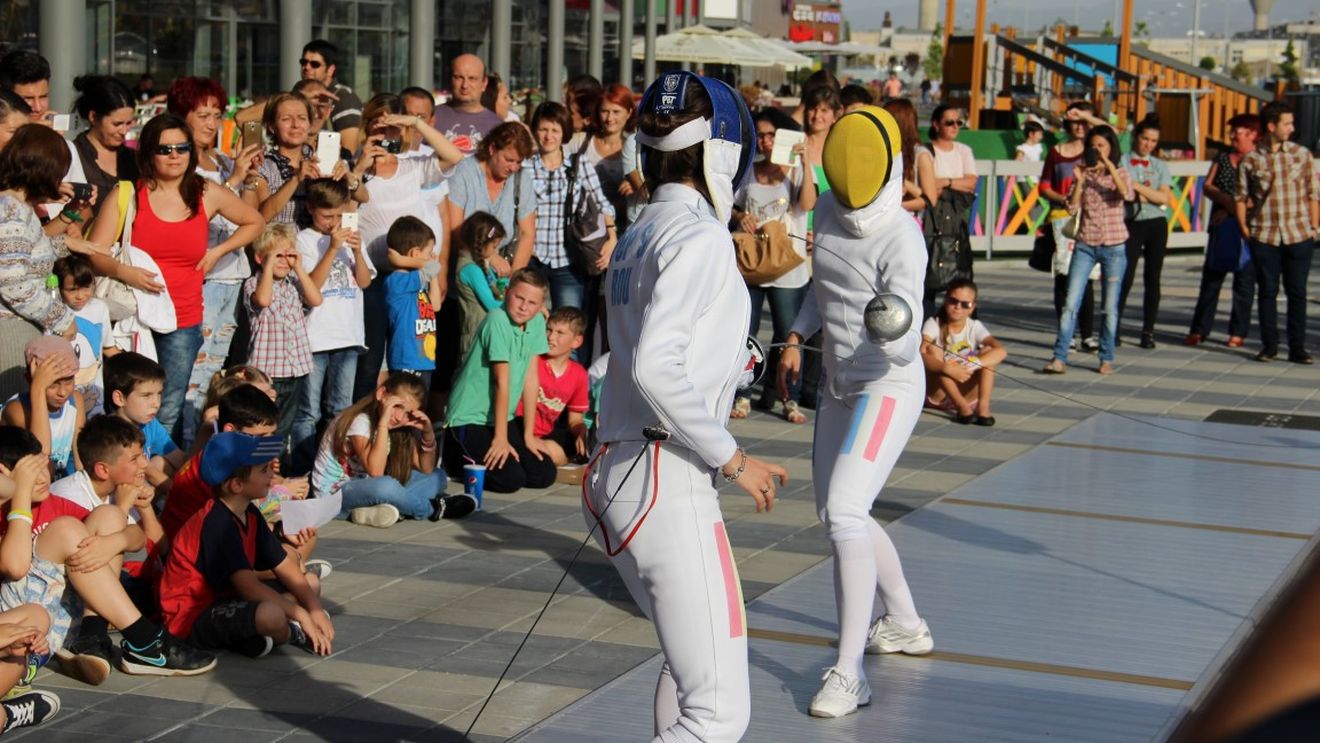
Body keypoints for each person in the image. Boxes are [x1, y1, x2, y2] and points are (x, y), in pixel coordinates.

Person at [588, 71, 787, 741]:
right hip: (665, 477)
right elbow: (652, 364)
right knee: (719, 713)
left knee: (688, 669)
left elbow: (629, 353)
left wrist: (736, 361)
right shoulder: (699, 238)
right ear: (725, 151)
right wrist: (735, 458)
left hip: (621, 470)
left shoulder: (641, 232)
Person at [776, 105, 933, 719]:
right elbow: (824, 289)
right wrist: (796, 335)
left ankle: (849, 673)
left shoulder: (903, 237)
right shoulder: (825, 212)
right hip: (838, 385)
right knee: (839, 513)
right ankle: (905, 622)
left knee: (844, 510)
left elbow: (906, 323)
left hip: (888, 386)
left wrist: (894, 329)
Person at [87, 115, 264, 440]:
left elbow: (255, 221)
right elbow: (93, 252)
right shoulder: (128, 194)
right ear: (147, 153)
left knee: (166, 408)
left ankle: (158, 486)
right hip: (132, 319)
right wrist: (124, 271)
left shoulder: (205, 192)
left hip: (183, 320)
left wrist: (217, 251)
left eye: (182, 147)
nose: (174, 155)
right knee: (125, 409)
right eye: (164, 148)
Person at [0, 426, 217, 678]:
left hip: (66, 616)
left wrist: (115, 541)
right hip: (23, 619)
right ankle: (145, 639)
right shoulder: (8, 511)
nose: (42, 478)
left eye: (44, 467)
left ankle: (92, 636)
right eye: (31, 473)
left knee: (109, 515)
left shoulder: (53, 503)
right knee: (67, 529)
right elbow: (15, 566)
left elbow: (137, 538)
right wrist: (21, 497)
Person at [158, 430, 333, 658]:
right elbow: (249, 588)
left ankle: (254, 638)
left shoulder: (248, 512)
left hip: (228, 600)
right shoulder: (217, 524)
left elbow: (283, 565)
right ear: (237, 485)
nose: (272, 474)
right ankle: (288, 632)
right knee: (271, 614)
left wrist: (315, 610)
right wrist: (302, 615)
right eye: (263, 470)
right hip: (191, 617)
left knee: (309, 583)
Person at [166, 76, 265, 446]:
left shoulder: (222, 160)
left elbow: (250, 217)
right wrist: (236, 178)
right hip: (201, 276)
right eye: (202, 114)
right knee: (191, 372)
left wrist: (247, 180)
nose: (211, 123)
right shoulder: (179, 162)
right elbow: (188, 219)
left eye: (217, 114)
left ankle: (203, 449)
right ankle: (184, 453)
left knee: (214, 373)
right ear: (180, 117)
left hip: (232, 274)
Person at [349, 94, 463, 402]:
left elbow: (454, 156)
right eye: (379, 127)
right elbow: (345, 210)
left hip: (412, 276)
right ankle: (361, 427)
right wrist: (360, 165)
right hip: (370, 279)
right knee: (369, 363)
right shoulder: (352, 168)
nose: (386, 135)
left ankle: (406, 421)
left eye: (391, 128)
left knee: (409, 359)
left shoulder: (412, 166)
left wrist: (415, 123)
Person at [48, 414, 162, 683]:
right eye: (134, 459)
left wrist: (143, 510)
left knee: (147, 583)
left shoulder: (119, 490)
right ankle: (134, 640)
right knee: (111, 519)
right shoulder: (68, 495)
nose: (143, 464)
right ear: (102, 469)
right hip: (62, 593)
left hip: (94, 590)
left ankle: (93, 635)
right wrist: (121, 510)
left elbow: (153, 546)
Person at [0, 124, 108, 400]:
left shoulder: (13, 207)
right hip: (9, 332)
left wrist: (64, 243)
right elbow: (13, 283)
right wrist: (60, 318)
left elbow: (22, 254)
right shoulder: (13, 212)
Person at [729, 108, 817, 423]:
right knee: (745, 332)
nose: (766, 142)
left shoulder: (797, 171)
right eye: (762, 135)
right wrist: (741, 217)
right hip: (751, 263)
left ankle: (788, 398)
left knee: (788, 334)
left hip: (788, 266)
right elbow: (730, 205)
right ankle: (741, 394)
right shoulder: (749, 170)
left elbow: (808, 204)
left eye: (772, 135)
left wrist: (806, 162)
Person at [443, 269, 557, 494]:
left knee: (543, 473)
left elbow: (531, 379)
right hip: (470, 418)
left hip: (503, 417)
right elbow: (501, 382)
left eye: (532, 303)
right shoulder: (497, 319)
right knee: (510, 480)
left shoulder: (535, 323)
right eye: (519, 298)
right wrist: (501, 439)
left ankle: (501, 444)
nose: (524, 307)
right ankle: (455, 457)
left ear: (541, 305)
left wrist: (528, 435)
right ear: (507, 293)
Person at [290, 179, 373, 473]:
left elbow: (364, 281)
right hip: (316, 338)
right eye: (327, 216)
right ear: (311, 209)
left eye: (339, 215)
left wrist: (358, 251)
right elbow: (310, 287)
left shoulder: (348, 239)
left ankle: (334, 470)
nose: (333, 223)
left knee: (341, 409)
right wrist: (332, 248)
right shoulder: (304, 240)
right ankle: (303, 470)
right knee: (308, 411)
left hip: (348, 336)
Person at [1043, 125, 1132, 376]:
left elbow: (1126, 193)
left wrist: (1108, 165)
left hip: (1114, 246)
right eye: (1092, 146)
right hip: (1085, 245)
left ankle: (1106, 357)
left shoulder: (1121, 172)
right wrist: (1080, 181)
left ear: (1112, 147)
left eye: (1102, 146)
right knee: (1071, 303)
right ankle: (1059, 357)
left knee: (1110, 306)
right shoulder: (1084, 174)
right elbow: (1071, 208)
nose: (1096, 151)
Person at [1236, 101, 1319, 364]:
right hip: (1265, 234)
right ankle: (1269, 345)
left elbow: (1313, 192)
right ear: (1272, 126)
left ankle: (1298, 348)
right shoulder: (1251, 159)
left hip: (1298, 233)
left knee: (1297, 292)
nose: (1292, 128)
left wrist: (1314, 227)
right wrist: (1245, 229)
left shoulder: (1301, 154)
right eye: (1287, 123)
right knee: (1267, 291)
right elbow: (1240, 197)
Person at [312, 373, 450, 527]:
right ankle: (432, 509)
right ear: (381, 394)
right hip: (334, 496)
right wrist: (383, 423)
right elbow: (376, 472)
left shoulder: (401, 428)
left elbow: (426, 468)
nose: (399, 417)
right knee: (386, 486)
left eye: (408, 414)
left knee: (438, 476)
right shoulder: (359, 421)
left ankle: (382, 510)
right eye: (397, 406)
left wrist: (427, 433)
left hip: (368, 488)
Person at [527, 101, 617, 315]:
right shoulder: (524, 166)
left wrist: (612, 238)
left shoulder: (578, 163)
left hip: (568, 259)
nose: (549, 136)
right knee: (529, 324)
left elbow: (601, 202)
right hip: (532, 257)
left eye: (555, 130)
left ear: (564, 133)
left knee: (568, 326)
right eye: (544, 129)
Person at [243, 223, 322, 441]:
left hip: (295, 370)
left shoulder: (294, 284)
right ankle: (260, 468)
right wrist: (268, 268)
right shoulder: (253, 284)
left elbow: (316, 299)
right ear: (260, 258)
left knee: (284, 428)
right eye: (277, 255)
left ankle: (278, 468)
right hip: (268, 373)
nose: (283, 261)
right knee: (264, 425)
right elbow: (263, 300)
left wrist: (298, 268)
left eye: (288, 255)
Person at [1187, 114, 1260, 347]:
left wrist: (1231, 210)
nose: (1231, 136)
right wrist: (1228, 202)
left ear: (1252, 134)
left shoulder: (1260, 159)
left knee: (1245, 282)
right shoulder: (1223, 157)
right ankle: (1199, 329)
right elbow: (1207, 185)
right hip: (1221, 227)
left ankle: (1238, 332)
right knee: (1211, 278)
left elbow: (1262, 195)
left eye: (1236, 132)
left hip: (1249, 226)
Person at [1039, 102, 1103, 351]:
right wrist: (1062, 198)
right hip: (1061, 217)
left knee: (1087, 278)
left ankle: (1088, 332)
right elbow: (1044, 186)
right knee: (1063, 276)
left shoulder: (1097, 151)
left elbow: (1113, 131)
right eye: (1076, 121)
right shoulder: (1056, 151)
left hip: (1089, 217)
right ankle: (1067, 332)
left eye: (1085, 121)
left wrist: (1088, 115)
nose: (1081, 126)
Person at [253, 92, 366, 227]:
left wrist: (347, 176)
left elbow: (364, 197)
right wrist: (295, 179)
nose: (296, 125)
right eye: (286, 119)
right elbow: (262, 217)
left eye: (302, 118)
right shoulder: (263, 165)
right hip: (282, 244)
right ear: (272, 127)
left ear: (309, 124)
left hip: (320, 244)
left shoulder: (321, 156)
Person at [445, 122, 537, 273]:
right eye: (509, 160)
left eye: (519, 162)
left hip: (503, 272)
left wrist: (514, 278)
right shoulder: (463, 173)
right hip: (466, 267)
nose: (514, 167)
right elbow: (455, 229)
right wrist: (490, 256)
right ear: (492, 148)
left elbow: (527, 233)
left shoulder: (521, 179)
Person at [1117, 115, 1173, 349]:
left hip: (1156, 224)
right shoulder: (1123, 161)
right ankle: (1113, 326)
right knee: (1125, 276)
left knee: (1153, 278)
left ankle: (1148, 330)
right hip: (1131, 222)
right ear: (1136, 137)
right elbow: (1123, 193)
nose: (1148, 144)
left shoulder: (1160, 165)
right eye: (1144, 139)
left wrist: (1138, 187)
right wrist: (1148, 195)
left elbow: (1165, 198)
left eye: (1153, 141)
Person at [920, 279, 1005, 425]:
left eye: (965, 304)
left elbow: (1001, 350)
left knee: (988, 351)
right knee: (932, 350)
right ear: (946, 300)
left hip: (965, 387)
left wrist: (972, 364)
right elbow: (921, 351)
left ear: (972, 307)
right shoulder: (934, 323)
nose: (958, 307)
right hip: (939, 394)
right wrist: (947, 368)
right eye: (953, 301)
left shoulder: (973, 326)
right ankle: (962, 407)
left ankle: (983, 408)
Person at [920, 104, 978, 314]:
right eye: (949, 122)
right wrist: (954, 182)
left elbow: (971, 182)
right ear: (936, 124)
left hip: (955, 218)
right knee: (929, 270)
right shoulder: (926, 150)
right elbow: (927, 185)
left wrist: (943, 181)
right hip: (931, 217)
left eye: (958, 122)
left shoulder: (964, 150)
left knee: (960, 269)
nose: (955, 127)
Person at [103, 352, 188, 491]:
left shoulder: (150, 424)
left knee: (162, 462)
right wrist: (185, 497)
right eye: (146, 395)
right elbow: (151, 473)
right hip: (118, 495)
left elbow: (177, 458)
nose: (156, 403)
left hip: (139, 485)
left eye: (159, 394)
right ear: (119, 398)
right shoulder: (113, 432)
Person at [517, 306, 590, 466]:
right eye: (548, 330)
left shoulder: (579, 374)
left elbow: (575, 419)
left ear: (577, 341)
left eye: (560, 333)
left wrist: (581, 431)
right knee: (549, 456)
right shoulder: (533, 360)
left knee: (578, 447)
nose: (550, 337)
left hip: (545, 433)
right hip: (518, 427)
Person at [2, 337, 83, 479]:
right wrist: (37, 389)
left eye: (68, 381)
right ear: (30, 379)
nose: (62, 392)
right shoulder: (17, 410)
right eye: (53, 384)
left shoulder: (75, 401)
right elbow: (42, 464)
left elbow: (80, 459)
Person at [53, 255, 118, 415]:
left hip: (94, 396)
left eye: (86, 288)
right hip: (61, 396)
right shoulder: (54, 312)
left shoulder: (100, 308)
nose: (80, 296)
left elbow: (108, 346)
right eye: (72, 290)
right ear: (59, 288)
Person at [384, 217, 441, 388]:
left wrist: (433, 274)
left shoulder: (419, 283)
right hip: (406, 362)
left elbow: (436, 305)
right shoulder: (397, 281)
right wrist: (400, 261)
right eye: (429, 252)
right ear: (415, 254)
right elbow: (432, 268)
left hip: (424, 361)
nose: (432, 257)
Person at [70, 75, 137, 216]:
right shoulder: (72, 155)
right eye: (117, 124)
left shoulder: (133, 158)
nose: (124, 131)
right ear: (93, 117)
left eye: (129, 123)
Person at [453, 211, 508, 358]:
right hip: (476, 339)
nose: (496, 251)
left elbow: (496, 287)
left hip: (487, 334)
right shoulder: (470, 269)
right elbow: (492, 304)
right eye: (494, 246)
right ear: (480, 244)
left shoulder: (482, 264)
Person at [298, 39, 364, 153]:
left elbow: (349, 151)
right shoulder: (298, 93)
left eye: (315, 64)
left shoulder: (343, 97)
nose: (307, 67)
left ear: (330, 70)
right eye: (304, 62)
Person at [432, 54, 504, 155]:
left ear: (484, 83)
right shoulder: (430, 116)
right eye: (459, 78)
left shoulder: (497, 126)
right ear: (450, 80)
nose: (465, 85)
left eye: (472, 78)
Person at [883, 98, 932, 215]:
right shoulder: (884, 148)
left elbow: (929, 200)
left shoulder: (921, 154)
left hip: (908, 220)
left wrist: (897, 206)